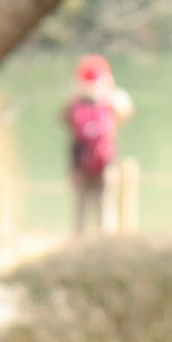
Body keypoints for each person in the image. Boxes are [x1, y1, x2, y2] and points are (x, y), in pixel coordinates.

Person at [62, 54, 131, 236]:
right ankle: (105, 248)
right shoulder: (110, 102)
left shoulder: (75, 103)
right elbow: (126, 114)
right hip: (106, 161)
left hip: (80, 162)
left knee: (80, 212)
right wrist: (110, 90)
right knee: (105, 209)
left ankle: (78, 247)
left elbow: (65, 121)